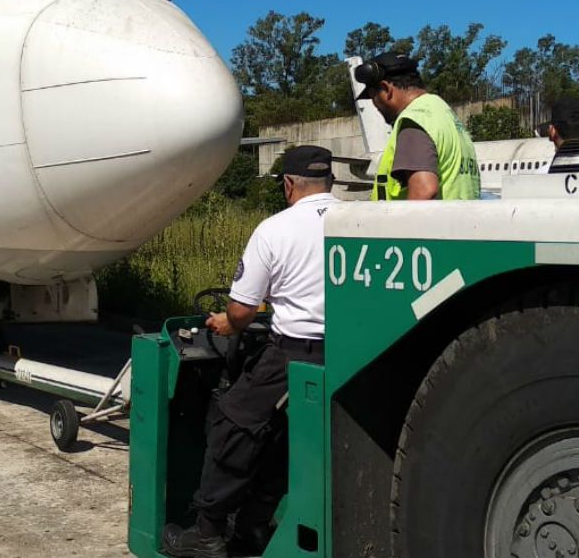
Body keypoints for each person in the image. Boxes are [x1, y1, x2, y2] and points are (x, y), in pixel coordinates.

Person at [162, 145, 339, 558]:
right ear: (330, 181)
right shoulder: (360, 221)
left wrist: (227, 323)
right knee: (286, 440)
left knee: (232, 427)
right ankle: (256, 524)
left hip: (294, 354)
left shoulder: (275, 230)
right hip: (346, 356)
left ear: (290, 184)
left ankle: (207, 533)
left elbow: (241, 311)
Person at [355, 52, 480, 201]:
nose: (375, 105)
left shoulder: (414, 120)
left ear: (386, 89)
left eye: (373, 96)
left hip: (429, 224)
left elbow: (424, 191)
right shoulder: (442, 112)